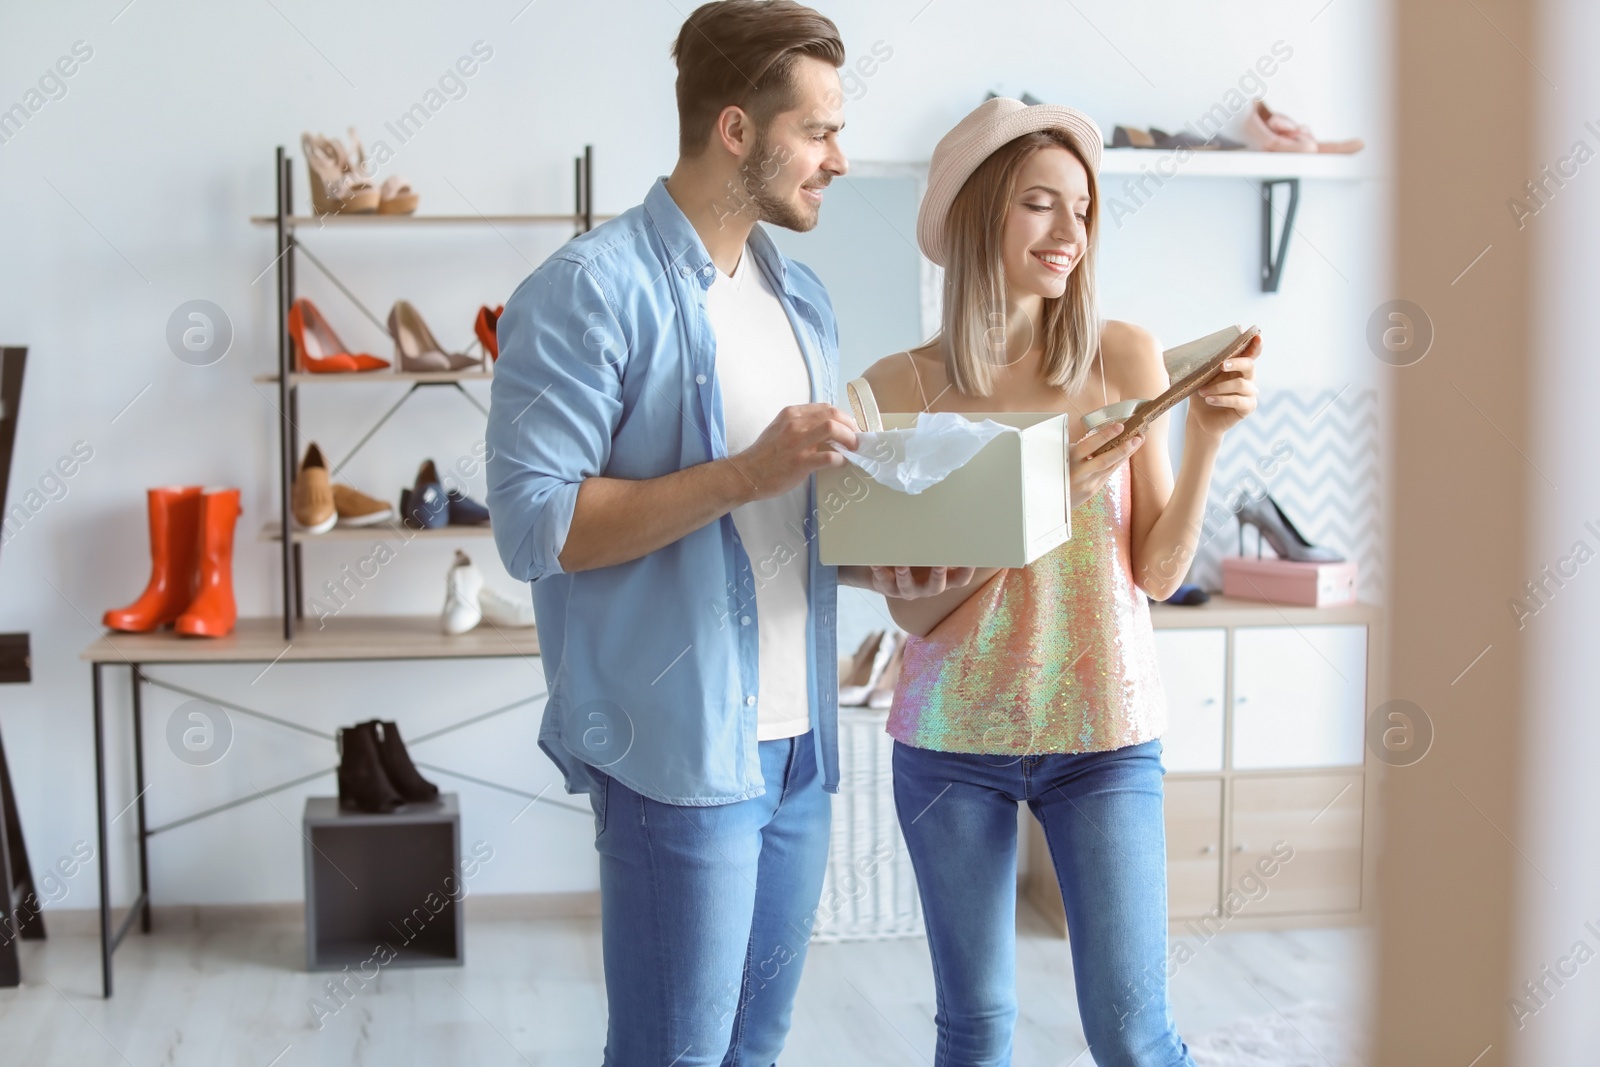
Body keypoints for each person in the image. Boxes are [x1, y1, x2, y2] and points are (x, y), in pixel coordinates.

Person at [484, 3, 965, 1062]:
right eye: (819, 130)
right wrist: (745, 469)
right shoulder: (585, 292)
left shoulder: (801, 298)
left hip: (798, 747)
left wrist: (891, 552)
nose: (838, 159)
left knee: (756, 1046)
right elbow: (532, 523)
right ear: (738, 130)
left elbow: (785, 516)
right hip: (677, 754)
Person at [858, 97, 1261, 1066]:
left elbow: (1155, 574)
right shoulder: (897, 388)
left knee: (1133, 1032)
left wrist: (1204, 437)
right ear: (976, 215)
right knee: (976, 1027)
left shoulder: (1119, 355)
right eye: (1041, 203)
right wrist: (1043, 493)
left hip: (1104, 734)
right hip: (951, 738)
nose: (1069, 233)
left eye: (1081, 209)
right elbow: (911, 608)